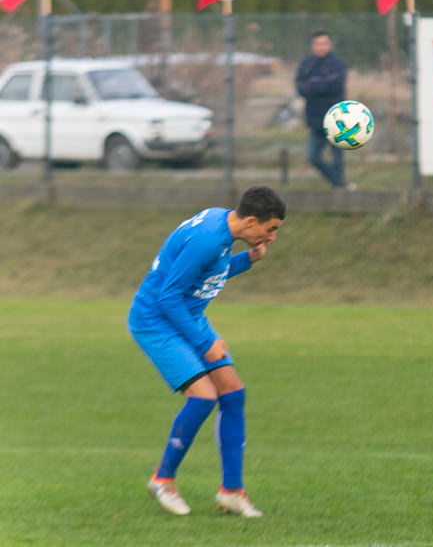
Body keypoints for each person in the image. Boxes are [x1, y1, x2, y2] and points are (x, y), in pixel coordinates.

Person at [128, 185, 286, 517]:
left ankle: (232, 490)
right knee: (203, 396)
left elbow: (207, 273)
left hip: (186, 315)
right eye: (270, 229)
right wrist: (204, 344)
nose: (271, 236)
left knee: (233, 393)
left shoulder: (221, 223)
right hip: (157, 319)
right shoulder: (208, 240)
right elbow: (168, 296)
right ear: (252, 221)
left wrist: (248, 259)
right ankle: (163, 480)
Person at [295, 30, 352, 189]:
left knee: (337, 157)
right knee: (313, 157)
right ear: (313, 46)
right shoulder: (306, 64)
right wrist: (321, 84)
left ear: (329, 44)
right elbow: (301, 88)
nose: (321, 47)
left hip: (337, 119)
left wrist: (314, 85)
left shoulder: (338, 63)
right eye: (318, 43)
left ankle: (340, 186)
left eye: (324, 43)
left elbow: (336, 86)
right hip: (315, 119)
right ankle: (338, 182)